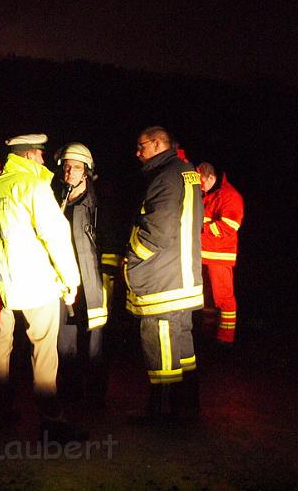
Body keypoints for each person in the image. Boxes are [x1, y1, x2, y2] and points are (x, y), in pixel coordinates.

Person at [0, 133, 81, 437]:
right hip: (38, 284)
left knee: (2, 348)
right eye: (39, 154)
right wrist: (70, 280)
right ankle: (51, 421)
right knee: (44, 353)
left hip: (6, 284)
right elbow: (56, 236)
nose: (42, 159)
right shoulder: (34, 186)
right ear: (27, 156)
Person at [125, 126, 204, 423]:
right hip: (183, 277)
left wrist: (133, 258)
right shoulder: (186, 171)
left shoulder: (164, 177)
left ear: (157, 144)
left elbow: (156, 231)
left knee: (160, 344)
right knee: (182, 343)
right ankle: (188, 402)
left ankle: (163, 410)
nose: (137, 153)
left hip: (163, 280)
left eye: (141, 146)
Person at [53, 142, 118, 407]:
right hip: (63, 282)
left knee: (95, 341)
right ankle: (69, 392)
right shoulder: (55, 199)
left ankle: (95, 396)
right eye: (66, 167)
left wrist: (107, 280)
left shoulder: (100, 202)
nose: (70, 172)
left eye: (76, 168)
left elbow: (110, 242)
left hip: (94, 281)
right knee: (64, 339)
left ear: (87, 171)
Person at [198, 162, 244, 346]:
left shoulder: (229, 196)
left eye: (201, 181)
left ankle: (226, 337)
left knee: (223, 297)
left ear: (211, 177)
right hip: (203, 255)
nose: (199, 186)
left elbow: (230, 226)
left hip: (219, 256)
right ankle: (208, 334)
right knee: (207, 298)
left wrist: (199, 228)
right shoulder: (208, 196)